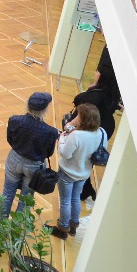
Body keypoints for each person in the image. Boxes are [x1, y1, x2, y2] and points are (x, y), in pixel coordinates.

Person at [0, 92, 60, 220]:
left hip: (15, 159)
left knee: (7, 193)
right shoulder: (51, 132)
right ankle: (17, 226)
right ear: (45, 110)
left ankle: (0, 223)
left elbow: (10, 139)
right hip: (34, 166)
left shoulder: (14, 120)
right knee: (25, 199)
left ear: (28, 105)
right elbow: (49, 152)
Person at [51, 102, 102, 239]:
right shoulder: (100, 132)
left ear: (83, 119)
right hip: (84, 172)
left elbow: (65, 153)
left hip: (68, 172)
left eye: (78, 115)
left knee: (65, 200)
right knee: (75, 198)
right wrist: (71, 127)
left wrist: (61, 139)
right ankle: (73, 225)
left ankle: (62, 228)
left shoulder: (77, 136)